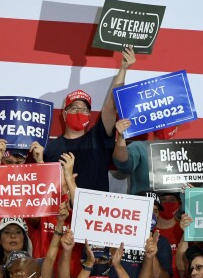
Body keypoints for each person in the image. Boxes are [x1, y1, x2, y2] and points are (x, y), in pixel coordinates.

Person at [42, 48, 136, 193]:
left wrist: (123, 68)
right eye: (74, 108)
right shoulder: (51, 148)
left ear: (89, 115)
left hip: (94, 212)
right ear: (64, 114)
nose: (80, 112)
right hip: (64, 213)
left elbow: (111, 105)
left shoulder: (97, 137)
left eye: (85, 109)